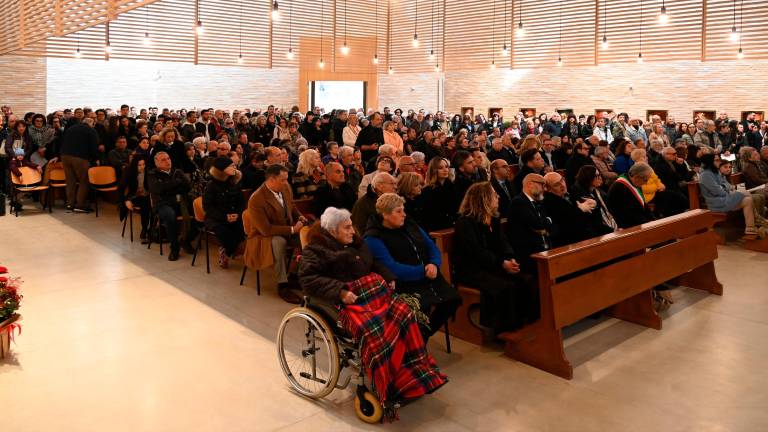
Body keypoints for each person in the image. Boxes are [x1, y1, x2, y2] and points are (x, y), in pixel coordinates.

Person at [299, 207, 447, 410]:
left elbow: (373, 261)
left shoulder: (356, 243)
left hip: (370, 294)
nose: (353, 231)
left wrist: (388, 276)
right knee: (376, 331)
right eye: (347, 227)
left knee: (404, 313)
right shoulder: (315, 250)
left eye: (352, 226)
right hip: (344, 301)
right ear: (333, 231)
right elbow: (308, 279)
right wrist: (340, 291)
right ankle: (388, 384)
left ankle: (413, 374)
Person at [364, 193, 461, 341]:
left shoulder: (409, 224)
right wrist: (423, 271)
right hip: (406, 283)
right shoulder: (373, 237)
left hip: (429, 275)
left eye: (403, 210)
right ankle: (419, 342)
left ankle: (423, 335)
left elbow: (431, 246)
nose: (404, 214)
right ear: (385, 215)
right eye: (399, 211)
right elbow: (392, 267)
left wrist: (434, 263)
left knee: (453, 299)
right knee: (421, 310)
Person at [453, 182, 538, 334]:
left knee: (526, 280)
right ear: (483, 199)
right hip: (473, 269)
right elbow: (476, 252)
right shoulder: (465, 223)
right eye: (494, 194)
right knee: (505, 287)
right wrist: (501, 263)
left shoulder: (493, 219)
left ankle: (527, 323)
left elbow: (504, 243)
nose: (498, 196)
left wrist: (510, 258)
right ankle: (504, 331)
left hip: (494, 264)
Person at [247, 164, 307, 303]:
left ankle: (293, 275)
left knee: (306, 237)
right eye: (283, 180)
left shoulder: (284, 188)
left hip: (285, 229)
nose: (286, 183)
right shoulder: (256, 199)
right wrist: (292, 230)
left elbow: (291, 206)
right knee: (279, 242)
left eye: (286, 179)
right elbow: (265, 229)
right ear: (271, 179)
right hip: (263, 236)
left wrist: (299, 216)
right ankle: (282, 284)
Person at [147, 151, 194, 261]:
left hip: (180, 202)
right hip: (162, 204)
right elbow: (158, 189)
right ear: (157, 163)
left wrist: (168, 187)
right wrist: (177, 183)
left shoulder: (177, 171)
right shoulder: (152, 174)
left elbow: (187, 187)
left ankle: (185, 240)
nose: (167, 161)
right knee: (170, 216)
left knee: (199, 215)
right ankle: (175, 248)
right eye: (163, 160)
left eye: (168, 158)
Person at [698, 154, 759, 236]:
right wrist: (727, 189)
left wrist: (724, 188)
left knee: (747, 200)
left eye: (719, 159)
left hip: (725, 199)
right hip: (716, 203)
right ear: (710, 162)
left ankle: (750, 228)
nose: (719, 162)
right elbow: (717, 192)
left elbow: (729, 186)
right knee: (746, 193)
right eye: (716, 160)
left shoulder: (715, 172)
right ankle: (758, 218)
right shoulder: (705, 175)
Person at [203, 156, 245, 269]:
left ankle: (227, 250)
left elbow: (241, 203)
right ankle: (227, 251)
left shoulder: (234, 183)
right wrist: (225, 217)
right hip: (216, 218)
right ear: (222, 169)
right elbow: (208, 207)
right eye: (231, 166)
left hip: (234, 216)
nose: (234, 167)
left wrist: (238, 214)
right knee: (225, 232)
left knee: (243, 230)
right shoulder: (211, 186)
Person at [507, 174, 553, 271]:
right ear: (530, 184)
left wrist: (546, 222)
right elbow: (538, 225)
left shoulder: (537, 201)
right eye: (542, 185)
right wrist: (548, 220)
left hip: (543, 249)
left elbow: (543, 224)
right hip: (529, 254)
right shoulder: (518, 202)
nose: (544, 189)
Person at [542, 172, 598, 246]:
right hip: (571, 242)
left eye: (562, 180)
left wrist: (594, 204)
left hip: (587, 235)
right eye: (556, 184)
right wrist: (581, 209)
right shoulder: (550, 202)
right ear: (548, 189)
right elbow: (569, 224)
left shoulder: (570, 194)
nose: (562, 185)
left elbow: (588, 215)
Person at [60, 117, 99, 212]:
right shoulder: (90, 130)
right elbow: (94, 146)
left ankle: (70, 204)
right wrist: (95, 159)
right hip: (80, 158)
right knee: (84, 181)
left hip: (65, 156)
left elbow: (62, 141)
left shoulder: (70, 128)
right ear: (91, 123)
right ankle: (80, 205)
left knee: (70, 181)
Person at [572, 165, 618, 236]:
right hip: (597, 234)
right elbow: (594, 222)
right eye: (596, 176)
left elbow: (610, 210)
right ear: (588, 178)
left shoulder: (597, 191)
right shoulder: (581, 195)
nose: (600, 178)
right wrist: (612, 230)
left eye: (600, 174)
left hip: (609, 227)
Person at [607, 162, 655, 229]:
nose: (646, 182)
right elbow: (628, 214)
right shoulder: (619, 187)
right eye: (645, 180)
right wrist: (647, 223)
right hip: (627, 225)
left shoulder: (635, 183)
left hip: (638, 220)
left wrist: (654, 220)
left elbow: (643, 206)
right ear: (636, 177)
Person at [419, 157, 460, 232]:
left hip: (454, 225)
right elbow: (428, 215)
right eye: (440, 168)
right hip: (436, 228)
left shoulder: (454, 187)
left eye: (446, 167)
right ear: (434, 170)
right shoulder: (427, 191)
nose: (445, 170)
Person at [118, 155, 151, 242]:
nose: (142, 167)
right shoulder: (129, 172)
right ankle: (145, 229)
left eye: (143, 164)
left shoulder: (148, 172)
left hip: (147, 196)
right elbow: (120, 189)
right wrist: (126, 200)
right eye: (139, 165)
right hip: (134, 197)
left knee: (150, 202)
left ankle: (151, 229)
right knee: (145, 203)